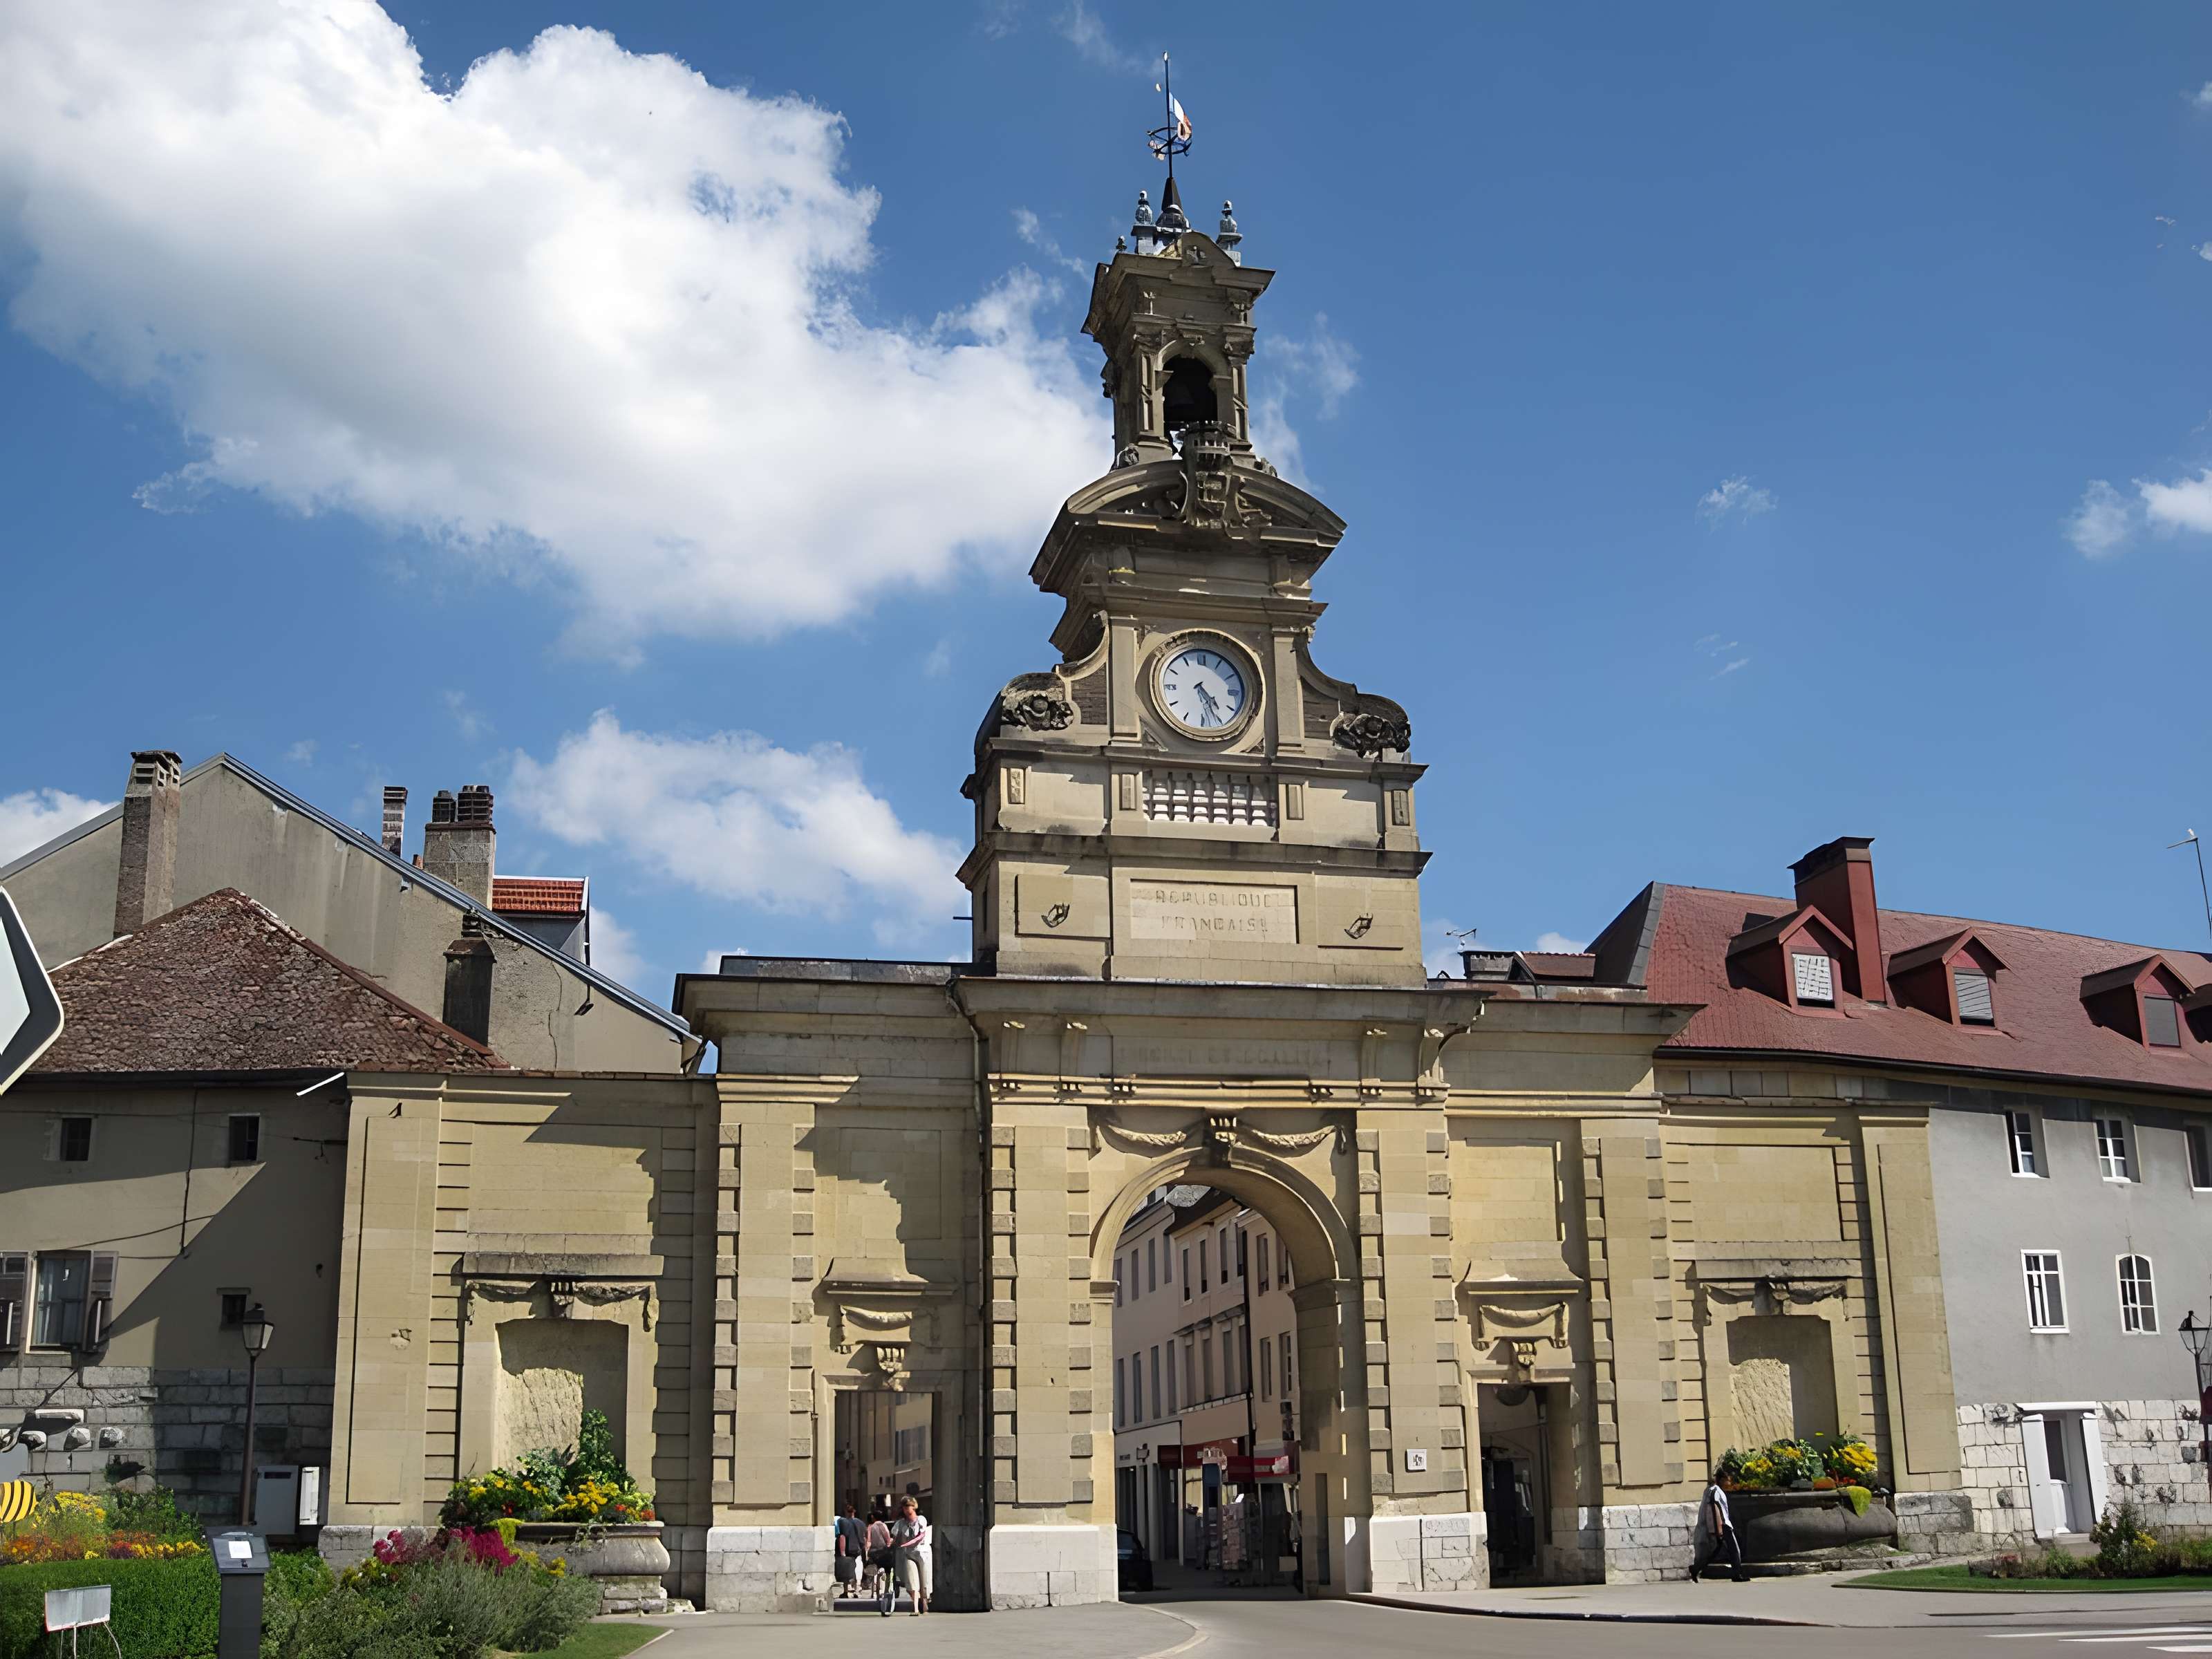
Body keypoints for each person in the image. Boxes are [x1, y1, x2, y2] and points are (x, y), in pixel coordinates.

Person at [1689, 1474, 1747, 1582]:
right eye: (1728, 1481)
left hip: (1721, 1525)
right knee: (1734, 1550)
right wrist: (1718, 1528)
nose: (1729, 1484)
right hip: (1723, 1525)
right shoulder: (1716, 1491)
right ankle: (1737, 1575)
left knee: (1714, 1552)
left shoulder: (1710, 1490)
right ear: (1721, 1480)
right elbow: (1714, 1509)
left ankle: (1695, 1569)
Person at [889, 1493, 932, 1616]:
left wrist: (906, 1544)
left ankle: (924, 1604)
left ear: (914, 1507)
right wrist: (890, 1542)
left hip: (922, 1553)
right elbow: (894, 1537)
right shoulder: (901, 1524)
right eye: (905, 1506)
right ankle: (915, 1609)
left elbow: (921, 1536)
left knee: (925, 1581)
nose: (907, 1509)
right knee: (912, 1581)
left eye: (909, 1506)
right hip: (909, 1554)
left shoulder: (921, 1520)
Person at [864, 1504, 895, 1612]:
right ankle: (885, 1592)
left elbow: (868, 1541)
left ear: (874, 1517)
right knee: (886, 1573)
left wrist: (867, 1553)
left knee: (876, 1574)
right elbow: (888, 1539)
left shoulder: (870, 1527)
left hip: (873, 1553)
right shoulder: (883, 1526)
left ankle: (877, 1594)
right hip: (883, 1552)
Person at [833, 1499, 864, 1599]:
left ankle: (847, 1591)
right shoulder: (861, 1523)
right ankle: (857, 1589)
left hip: (848, 1549)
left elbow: (842, 1537)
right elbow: (865, 1536)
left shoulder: (843, 1522)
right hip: (858, 1549)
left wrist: (842, 1552)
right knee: (858, 1568)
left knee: (848, 1571)